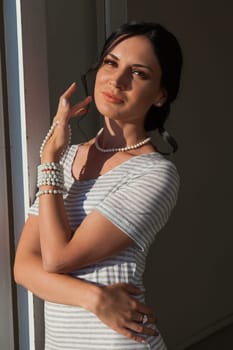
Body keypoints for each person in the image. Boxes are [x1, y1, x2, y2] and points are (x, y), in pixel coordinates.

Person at [14, 21, 182, 349]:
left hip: (118, 342)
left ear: (161, 94)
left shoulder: (155, 174)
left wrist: (48, 160)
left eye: (139, 73)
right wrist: (96, 299)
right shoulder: (65, 157)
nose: (116, 80)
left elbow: (57, 259)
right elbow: (24, 266)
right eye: (111, 62)